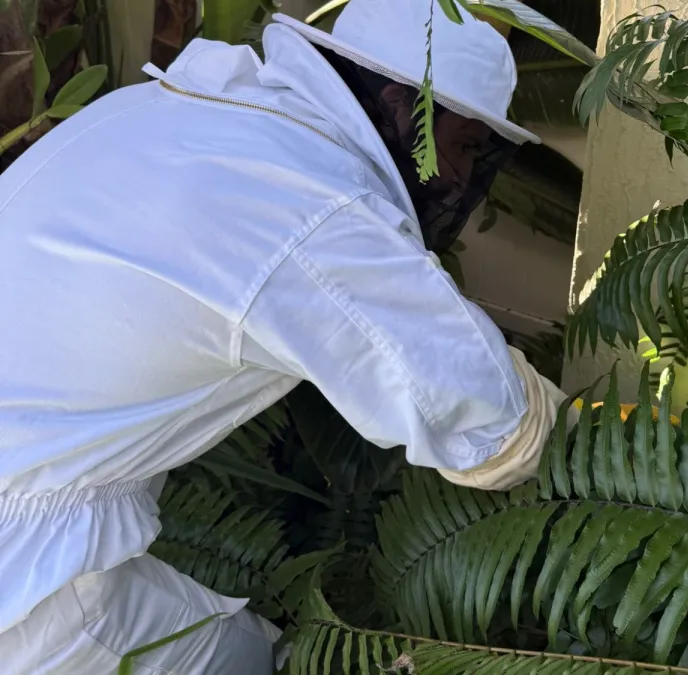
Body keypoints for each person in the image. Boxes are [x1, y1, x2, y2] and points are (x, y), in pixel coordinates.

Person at [0, 0, 575, 672]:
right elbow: (498, 428)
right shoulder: (314, 208)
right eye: (466, 148)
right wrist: (619, 439)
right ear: (401, 108)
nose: (461, 181)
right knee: (236, 660)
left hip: (38, 491)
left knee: (239, 644)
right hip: (25, 568)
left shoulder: (185, 111)